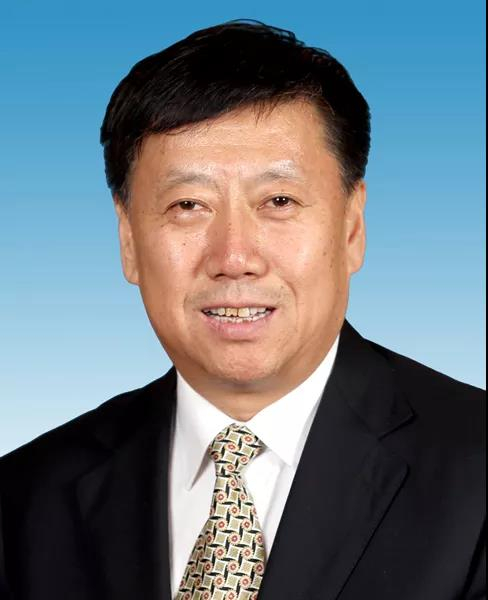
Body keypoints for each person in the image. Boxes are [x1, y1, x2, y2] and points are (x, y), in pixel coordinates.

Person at [0, 20, 485, 600]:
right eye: (188, 205)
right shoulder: (23, 499)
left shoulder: (475, 474)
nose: (234, 258)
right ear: (128, 240)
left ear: (352, 227)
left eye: (278, 201)